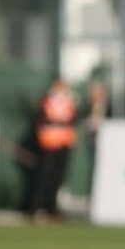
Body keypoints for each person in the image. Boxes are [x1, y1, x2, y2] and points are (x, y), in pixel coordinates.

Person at [27, 75, 79, 220]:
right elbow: (41, 118)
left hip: (64, 142)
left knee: (58, 177)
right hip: (49, 142)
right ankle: (37, 207)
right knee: (44, 175)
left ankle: (51, 207)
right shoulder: (47, 99)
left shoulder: (69, 100)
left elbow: (74, 118)